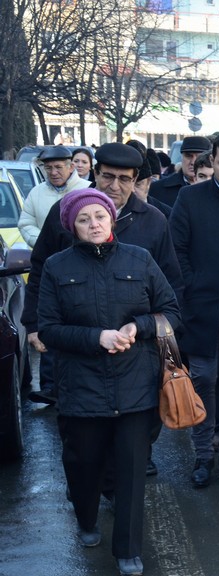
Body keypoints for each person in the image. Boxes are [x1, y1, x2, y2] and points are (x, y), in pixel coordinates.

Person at [37, 189, 181, 576]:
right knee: (84, 463)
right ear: (72, 226)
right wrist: (96, 337)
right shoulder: (55, 267)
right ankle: (86, 518)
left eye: (99, 216)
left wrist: (140, 326)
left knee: (132, 468)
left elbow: (171, 313)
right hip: (81, 388)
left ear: (112, 220)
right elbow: (48, 330)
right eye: (84, 219)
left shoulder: (141, 259)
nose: (94, 224)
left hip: (136, 383)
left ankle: (128, 550)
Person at [23, 142, 183, 419]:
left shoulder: (153, 221)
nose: (114, 185)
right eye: (108, 176)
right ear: (95, 173)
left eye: (124, 179)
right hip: (79, 353)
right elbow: (40, 268)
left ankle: (142, 461)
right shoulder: (66, 212)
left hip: (136, 353)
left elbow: (171, 283)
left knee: (138, 430)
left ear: (135, 180)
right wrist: (33, 324)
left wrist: (159, 332)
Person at [170, 131, 219, 488]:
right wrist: (192, 286)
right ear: (211, 161)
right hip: (201, 307)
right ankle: (203, 454)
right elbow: (177, 250)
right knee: (203, 376)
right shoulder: (190, 198)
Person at [18, 145, 90, 246]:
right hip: (45, 256)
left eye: (58, 167)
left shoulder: (88, 190)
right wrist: (44, 243)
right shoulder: (36, 193)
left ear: (71, 167)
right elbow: (26, 224)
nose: (53, 173)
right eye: (48, 168)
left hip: (82, 254)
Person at [149, 135, 212, 208]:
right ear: (181, 157)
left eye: (199, 156)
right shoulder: (157, 189)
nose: (193, 162)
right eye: (189, 156)